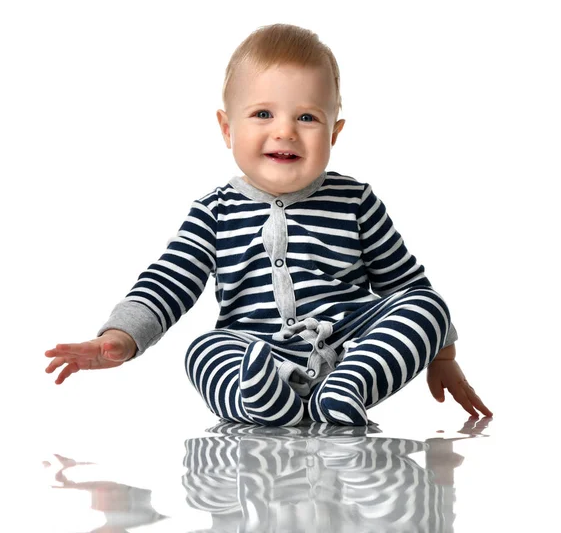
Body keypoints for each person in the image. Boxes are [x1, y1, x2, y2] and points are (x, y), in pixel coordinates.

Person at [45, 23, 493, 427]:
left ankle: (348, 388)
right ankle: (262, 401)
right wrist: (121, 337)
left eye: (307, 117)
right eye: (263, 114)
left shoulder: (355, 201)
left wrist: (444, 356)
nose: (285, 131)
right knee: (203, 352)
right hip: (255, 350)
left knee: (426, 305)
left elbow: (404, 282)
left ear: (334, 133)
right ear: (227, 129)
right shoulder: (215, 211)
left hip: (347, 344)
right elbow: (166, 283)